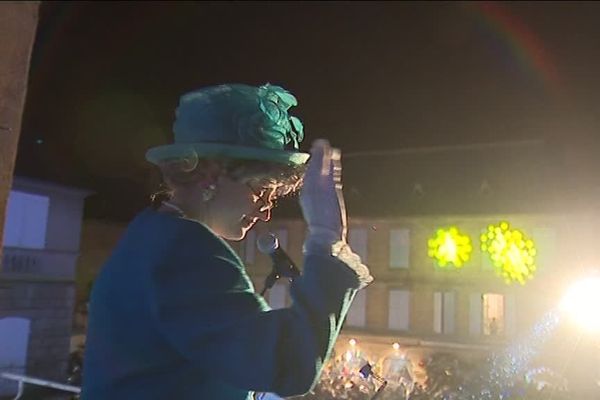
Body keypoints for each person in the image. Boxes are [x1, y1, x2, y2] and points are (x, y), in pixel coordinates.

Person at [81, 83, 373, 400]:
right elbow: (288, 363)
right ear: (210, 173)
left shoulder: (151, 234)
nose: (265, 213)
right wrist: (326, 239)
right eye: (260, 189)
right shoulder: (185, 251)